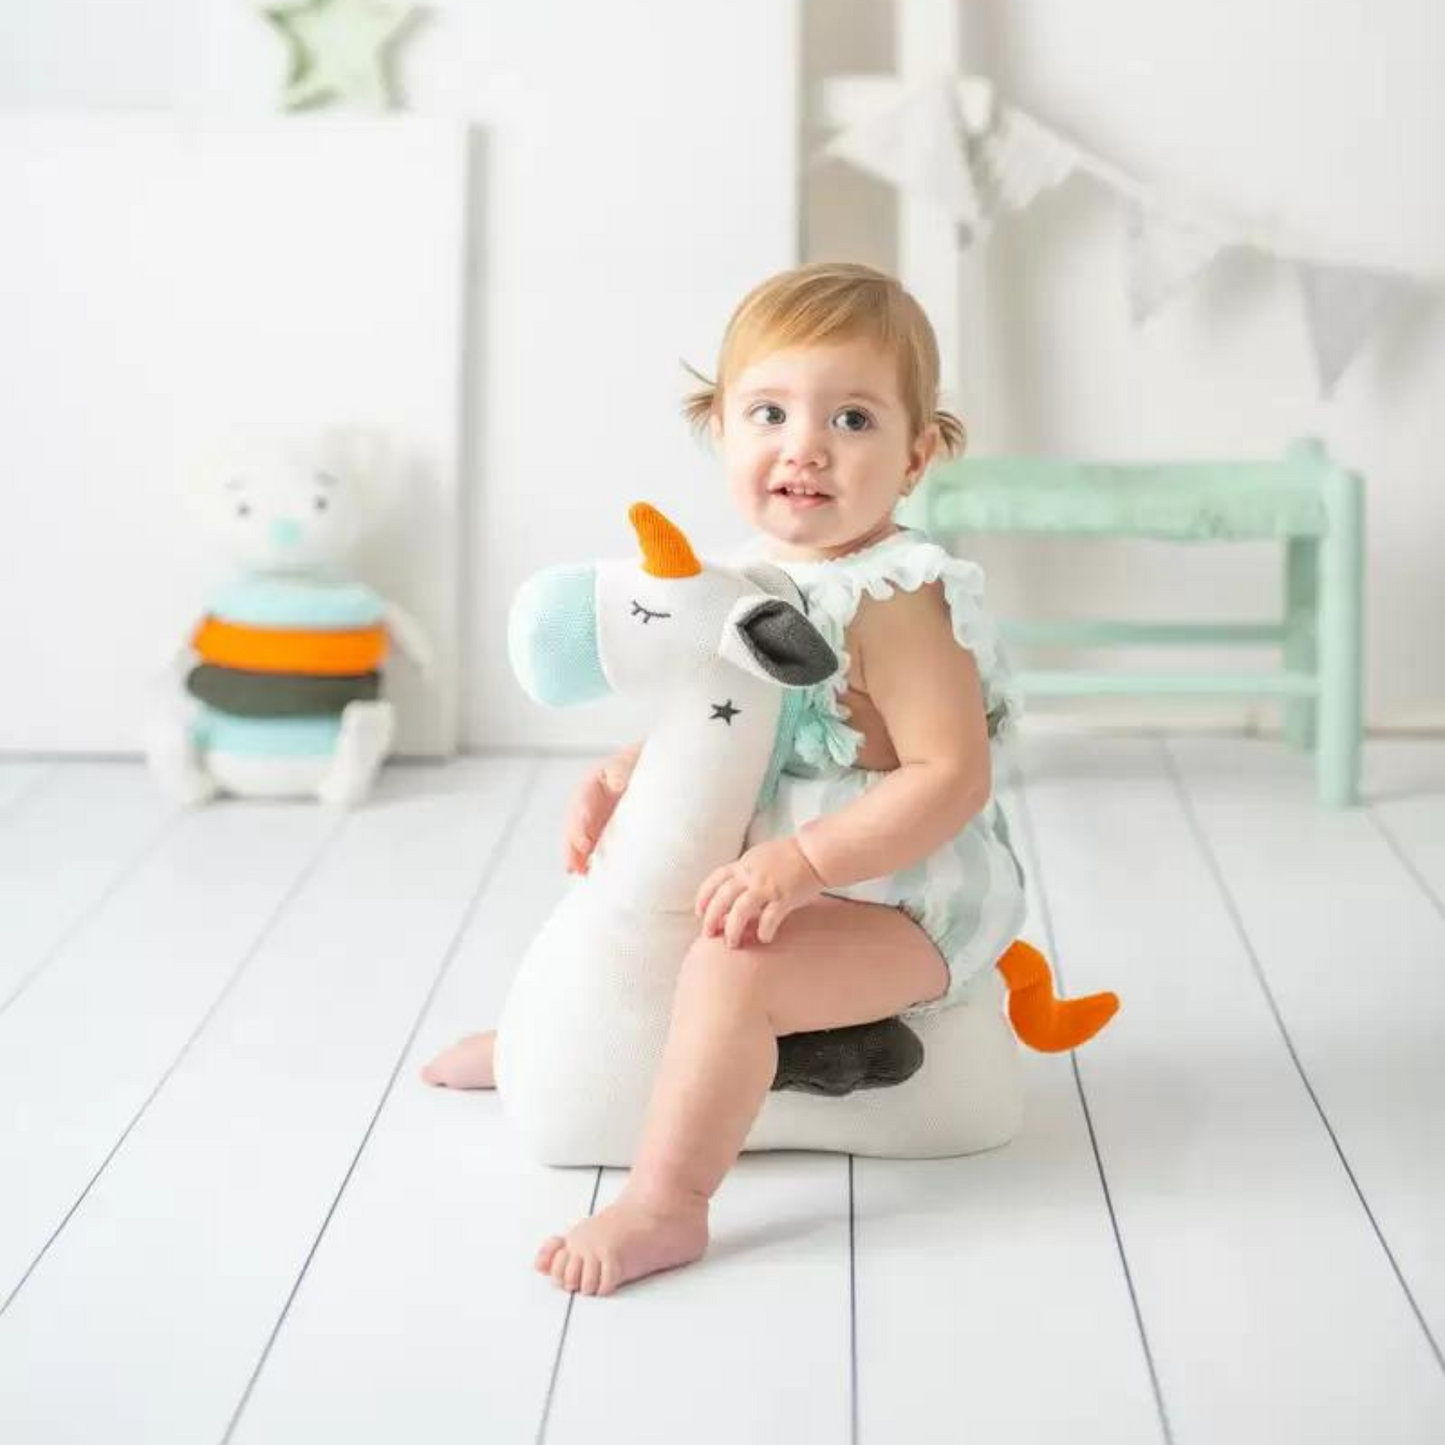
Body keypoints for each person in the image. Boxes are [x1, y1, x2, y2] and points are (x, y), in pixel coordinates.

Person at [424, 261, 1027, 1296]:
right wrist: (628, 769)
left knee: (729, 970)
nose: (804, 445)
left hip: (902, 898)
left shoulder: (895, 596)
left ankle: (668, 1200)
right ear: (719, 429)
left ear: (916, 454)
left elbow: (949, 776)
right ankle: (559, 1050)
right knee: (633, 892)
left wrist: (805, 860)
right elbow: (731, 717)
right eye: (768, 412)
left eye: (850, 418)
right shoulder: (750, 571)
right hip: (781, 867)